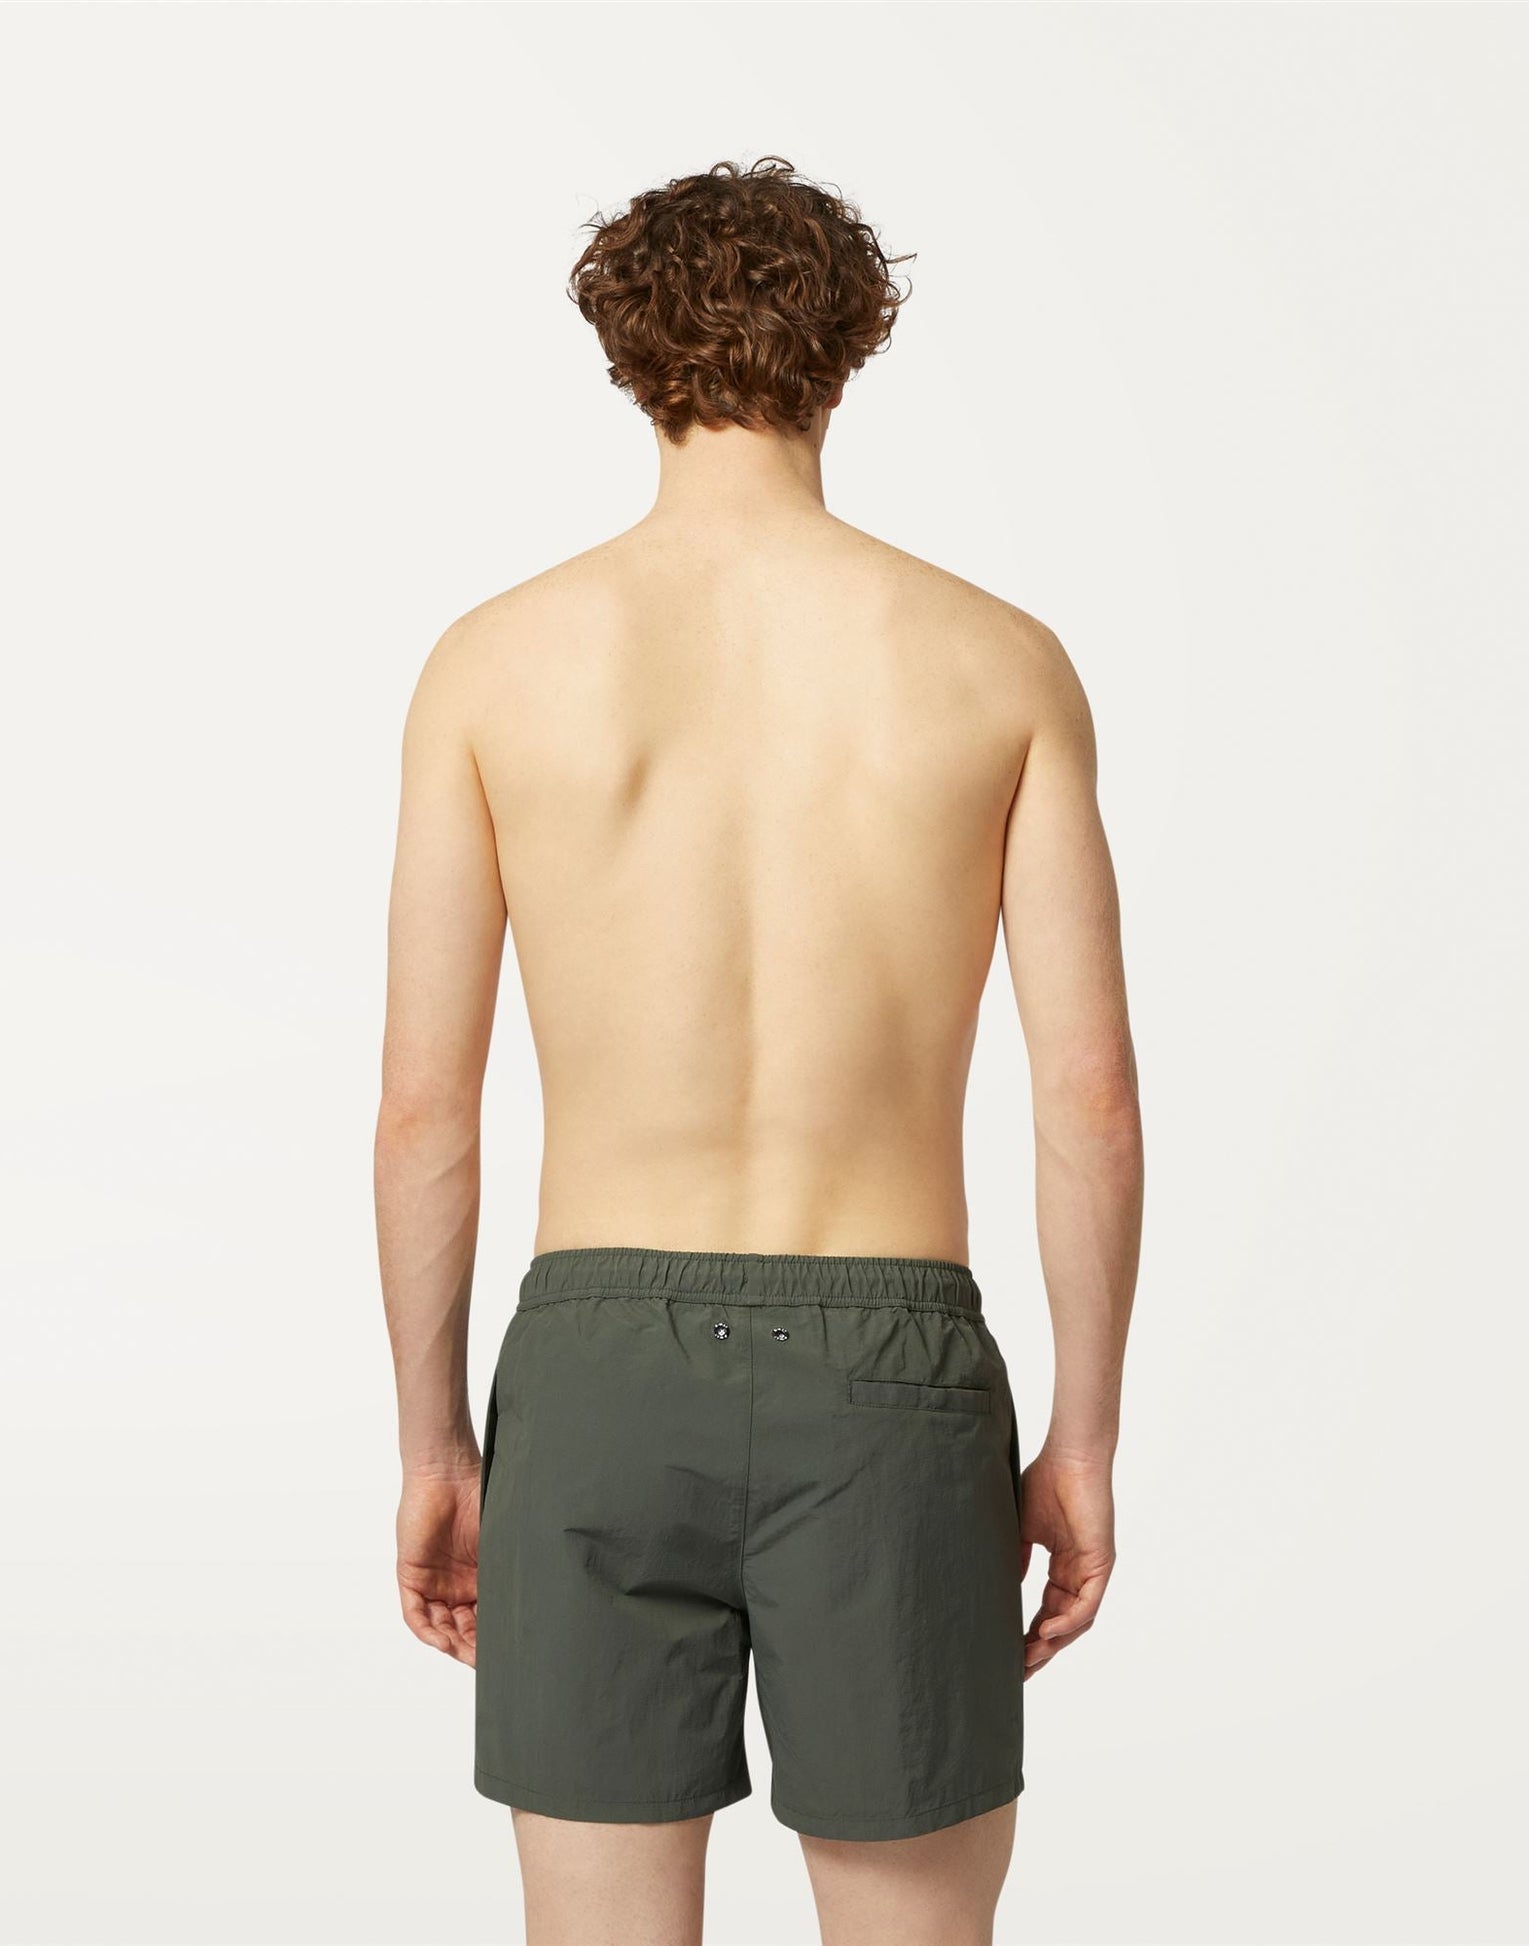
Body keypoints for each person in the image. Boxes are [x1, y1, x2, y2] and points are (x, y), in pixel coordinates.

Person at [374, 156, 1143, 1946]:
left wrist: (434, 1437)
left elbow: (424, 1112)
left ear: (623, 353)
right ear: (848, 350)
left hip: (593, 1372)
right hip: (892, 1371)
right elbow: (1086, 1097)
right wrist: (1083, 1435)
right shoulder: (996, 662)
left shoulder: (493, 664)